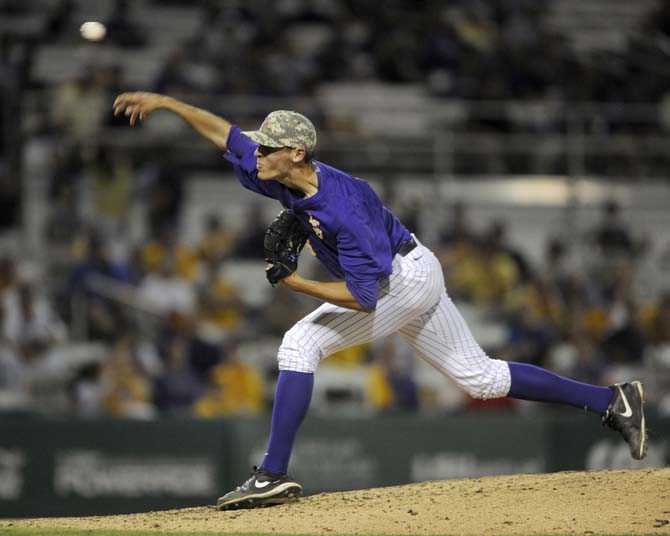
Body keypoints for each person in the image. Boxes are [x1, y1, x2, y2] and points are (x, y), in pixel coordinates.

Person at [113, 92, 647, 510]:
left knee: (299, 344)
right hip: (412, 269)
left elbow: (364, 299)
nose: (258, 150)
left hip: (401, 280)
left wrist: (295, 285)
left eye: (268, 145)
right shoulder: (280, 170)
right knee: (479, 378)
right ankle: (612, 401)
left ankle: (271, 473)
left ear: (296, 153)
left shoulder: (342, 206)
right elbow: (222, 133)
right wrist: (166, 104)